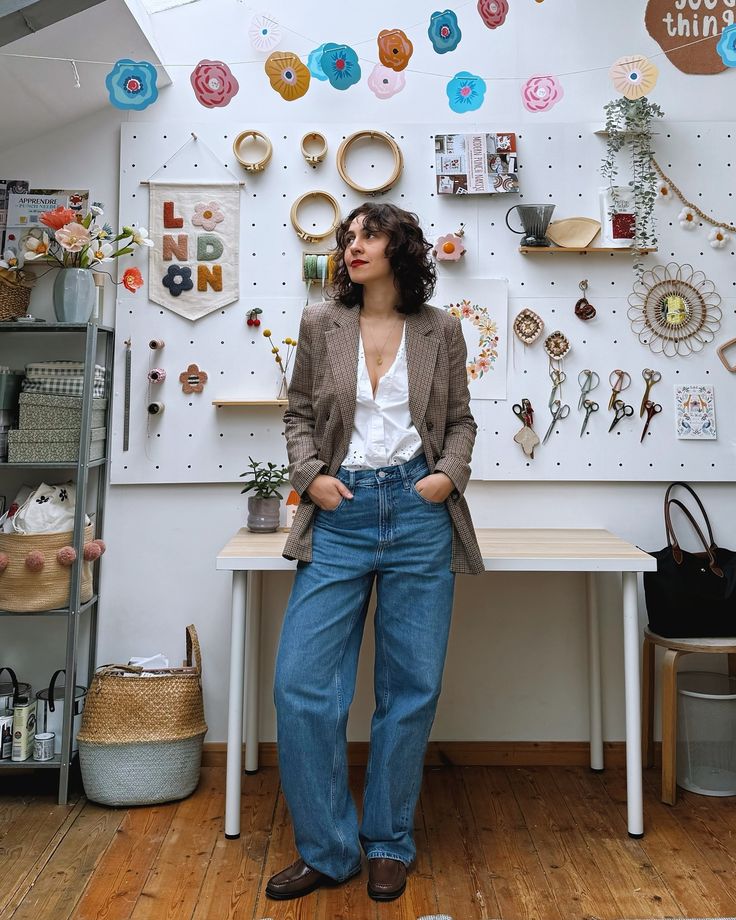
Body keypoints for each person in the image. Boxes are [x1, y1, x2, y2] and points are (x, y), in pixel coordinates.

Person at [266, 202, 483, 904]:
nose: (353, 246)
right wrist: (311, 479)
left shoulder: (439, 328)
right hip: (342, 510)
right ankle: (330, 851)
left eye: (368, 234)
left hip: (419, 513)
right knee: (302, 686)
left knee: (410, 689)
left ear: (401, 247)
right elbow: (298, 412)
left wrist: (446, 476)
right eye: (347, 237)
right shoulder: (320, 323)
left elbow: (460, 421)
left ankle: (388, 841)